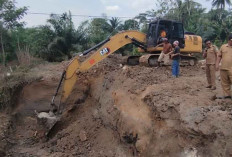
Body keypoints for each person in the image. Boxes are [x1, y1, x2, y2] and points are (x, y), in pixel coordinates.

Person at [216, 34, 232, 99]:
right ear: (229, 40)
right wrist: (217, 64)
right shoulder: (223, 47)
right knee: (225, 83)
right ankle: (227, 95)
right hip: (224, 68)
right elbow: (219, 56)